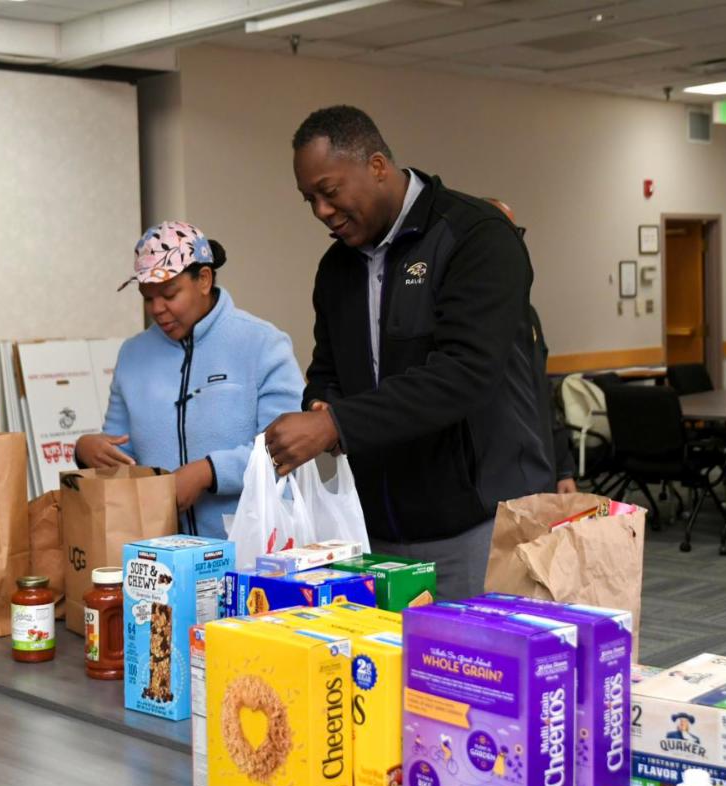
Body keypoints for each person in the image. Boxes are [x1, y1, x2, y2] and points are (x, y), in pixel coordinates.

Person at [264, 105, 549, 600]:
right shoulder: (336, 269)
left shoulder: (475, 237)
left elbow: (464, 374)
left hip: (476, 523)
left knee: (468, 673)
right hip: (374, 527)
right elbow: (328, 368)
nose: (321, 212)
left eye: (329, 193)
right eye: (308, 199)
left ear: (377, 166)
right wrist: (320, 404)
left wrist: (337, 425)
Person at [75, 221, 303, 538]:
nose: (157, 309)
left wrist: (208, 472)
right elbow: (119, 450)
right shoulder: (132, 355)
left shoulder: (263, 344)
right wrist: (87, 450)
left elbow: (287, 448)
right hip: (160, 553)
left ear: (204, 280)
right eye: (147, 297)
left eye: (169, 294)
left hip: (253, 550)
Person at [482, 197, 577, 494]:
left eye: (517, 234)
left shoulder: (527, 313)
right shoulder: (463, 315)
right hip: (494, 478)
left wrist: (564, 469)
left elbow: (543, 393)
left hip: (541, 470)